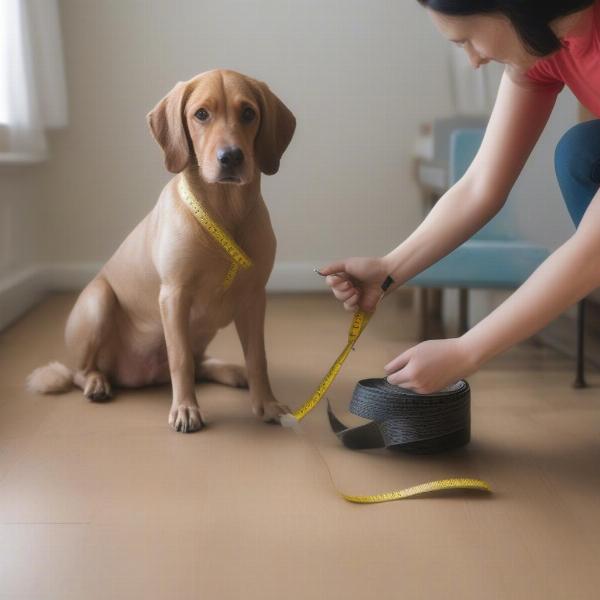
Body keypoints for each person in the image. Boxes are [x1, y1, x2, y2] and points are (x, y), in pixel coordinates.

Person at [320, 0, 600, 394]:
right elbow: (481, 186)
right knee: (582, 153)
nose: (472, 60)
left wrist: (467, 350)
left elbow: (594, 249)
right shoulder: (541, 46)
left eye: (467, 39)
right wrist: (389, 269)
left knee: (582, 151)